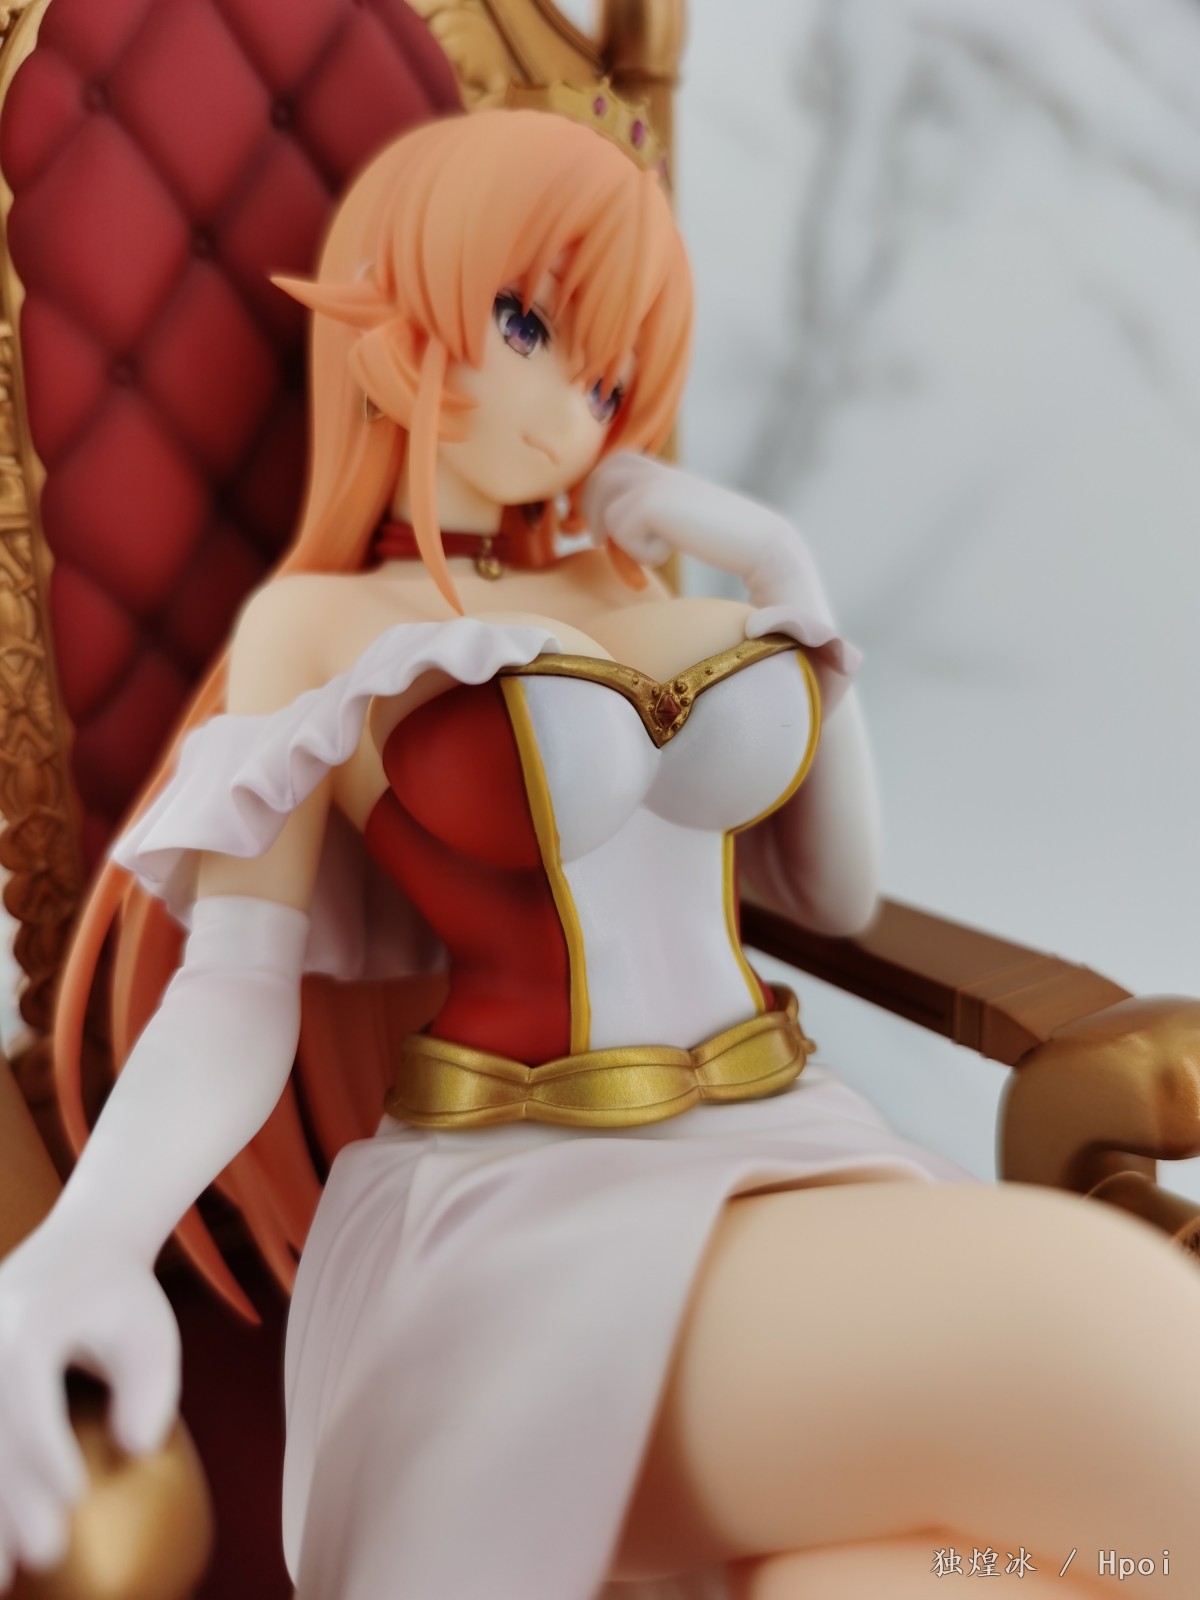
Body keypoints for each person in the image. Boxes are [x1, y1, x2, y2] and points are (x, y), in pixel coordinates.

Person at [0, 103, 1197, 1600]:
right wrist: (89, 1242)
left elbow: (833, 896)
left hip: (796, 1139)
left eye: (612, 374)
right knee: (1109, 1338)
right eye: (527, 324)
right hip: (534, 1213)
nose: (573, 406)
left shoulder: (640, 584)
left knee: (972, 1572)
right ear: (396, 304)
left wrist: (783, 569)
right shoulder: (319, 627)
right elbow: (232, 992)